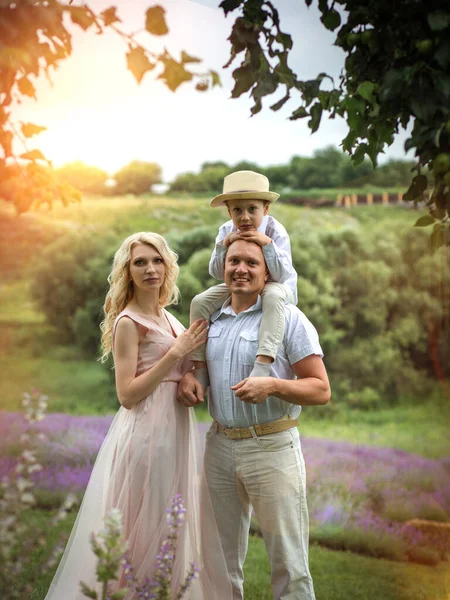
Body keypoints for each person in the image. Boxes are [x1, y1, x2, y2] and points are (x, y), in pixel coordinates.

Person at [44, 232, 233, 600]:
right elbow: (127, 395)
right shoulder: (128, 322)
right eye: (140, 262)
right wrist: (174, 353)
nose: (150, 269)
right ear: (127, 272)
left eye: (157, 260)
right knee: (144, 525)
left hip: (175, 432)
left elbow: (181, 367)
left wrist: (190, 374)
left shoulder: (168, 316)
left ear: (168, 266)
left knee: (172, 522)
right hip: (148, 433)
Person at [178, 237, 331, 600]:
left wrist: (273, 386)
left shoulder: (289, 319)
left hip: (272, 447)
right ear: (223, 266)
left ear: (266, 273)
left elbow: (321, 390)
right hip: (218, 446)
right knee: (217, 559)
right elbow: (195, 369)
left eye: (251, 263)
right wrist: (189, 378)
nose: (240, 269)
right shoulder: (210, 319)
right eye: (234, 261)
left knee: (289, 563)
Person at [190, 170, 297, 391]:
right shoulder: (226, 230)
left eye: (252, 209)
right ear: (229, 212)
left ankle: (263, 362)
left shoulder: (275, 231)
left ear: (265, 209)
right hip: (241, 284)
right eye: (237, 210)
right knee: (200, 302)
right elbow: (217, 273)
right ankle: (199, 367)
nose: (245, 217)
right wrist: (224, 245)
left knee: (273, 296)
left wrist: (266, 244)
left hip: (277, 286)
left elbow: (281, 275)